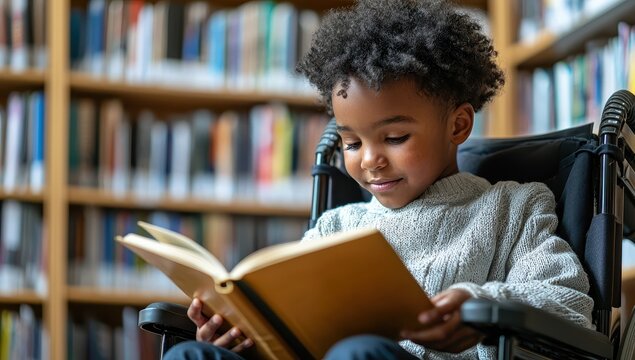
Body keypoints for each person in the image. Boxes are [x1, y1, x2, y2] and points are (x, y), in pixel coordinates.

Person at [164, 0, 594, 359]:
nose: (371, 160)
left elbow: (570, 307)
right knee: (190, 354)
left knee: (360, 354)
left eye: (394, 138)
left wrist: (484, 308)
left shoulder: (513, 210)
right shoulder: (335, 228)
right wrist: (244, 338)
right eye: (351, 143)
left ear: (459, 125)